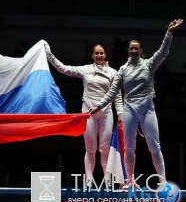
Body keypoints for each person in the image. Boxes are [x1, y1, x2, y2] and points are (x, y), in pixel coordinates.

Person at [89, 18, 184, 189]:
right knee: (130, 148)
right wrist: (100, 106)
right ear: (129, 51)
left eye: (136, 48)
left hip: (147, 109)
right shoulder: (123, 70)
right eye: (131, 48)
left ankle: (162, 181)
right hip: (129, 110)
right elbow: (112, 91)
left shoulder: (149, 65)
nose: (133, 51)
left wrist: (169, 33)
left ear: (141, 50)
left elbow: (163, 52)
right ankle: (129, 181)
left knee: (154, 146)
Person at [44, 42, 123, 187]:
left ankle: (107, 183)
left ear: (105, 55)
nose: (99, 55)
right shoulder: (85, 70)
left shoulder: (113, 72)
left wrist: (120, 113)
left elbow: (117, 95)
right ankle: (88, 182)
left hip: (106, 113)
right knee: (90, 149)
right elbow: (64, 69)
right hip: (88, 113)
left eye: (101, 53)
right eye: (96, 53)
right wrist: (49, 55)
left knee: (104, 149)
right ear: (92, 55)